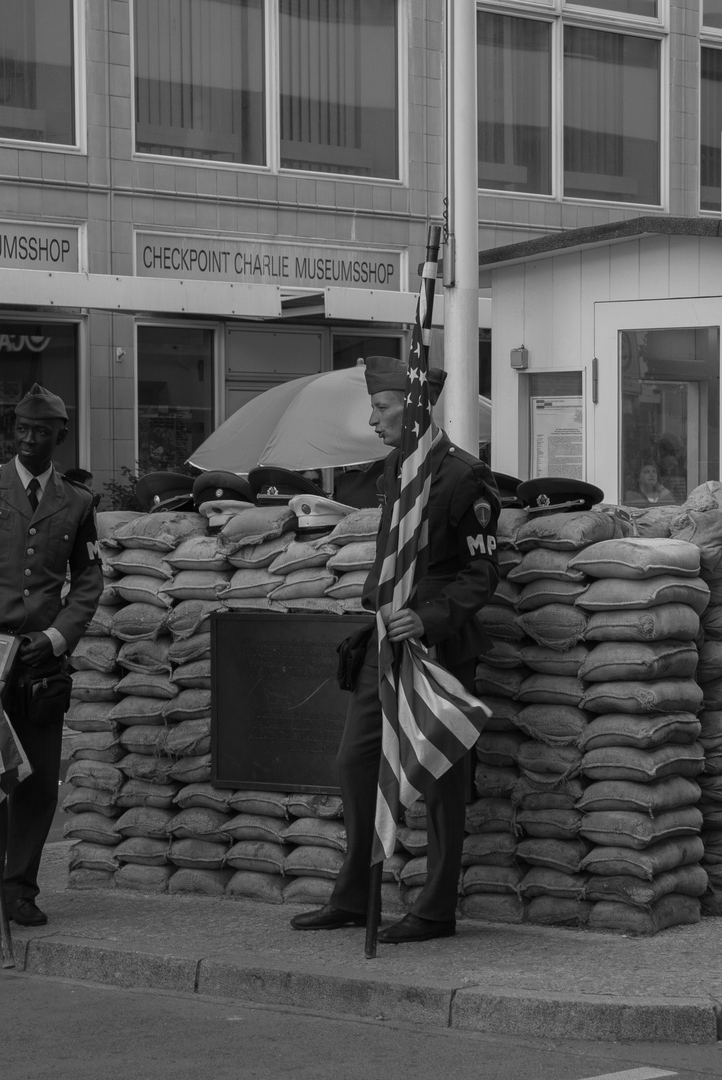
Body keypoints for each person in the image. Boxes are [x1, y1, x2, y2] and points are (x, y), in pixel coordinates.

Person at [290, 356, 500, 944]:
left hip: (439, 647)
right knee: (355, 763)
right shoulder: (395, 470)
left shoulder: (463, 476)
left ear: (410, 408)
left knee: (440, 782)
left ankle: (435, 910)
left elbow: (482, 575)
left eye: (381, 407)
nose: (373, 418)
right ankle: (355, 896)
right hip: (386, 640)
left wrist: (427, 617)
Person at [0, 384, 101, 931]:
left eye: (40, 431)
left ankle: (20, 889)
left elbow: (89, 579)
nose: (27, 439)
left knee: (39, 783)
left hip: (42, 659)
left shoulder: (78, 501)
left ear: (59, 436)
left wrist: (57, 637)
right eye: (20, 428)